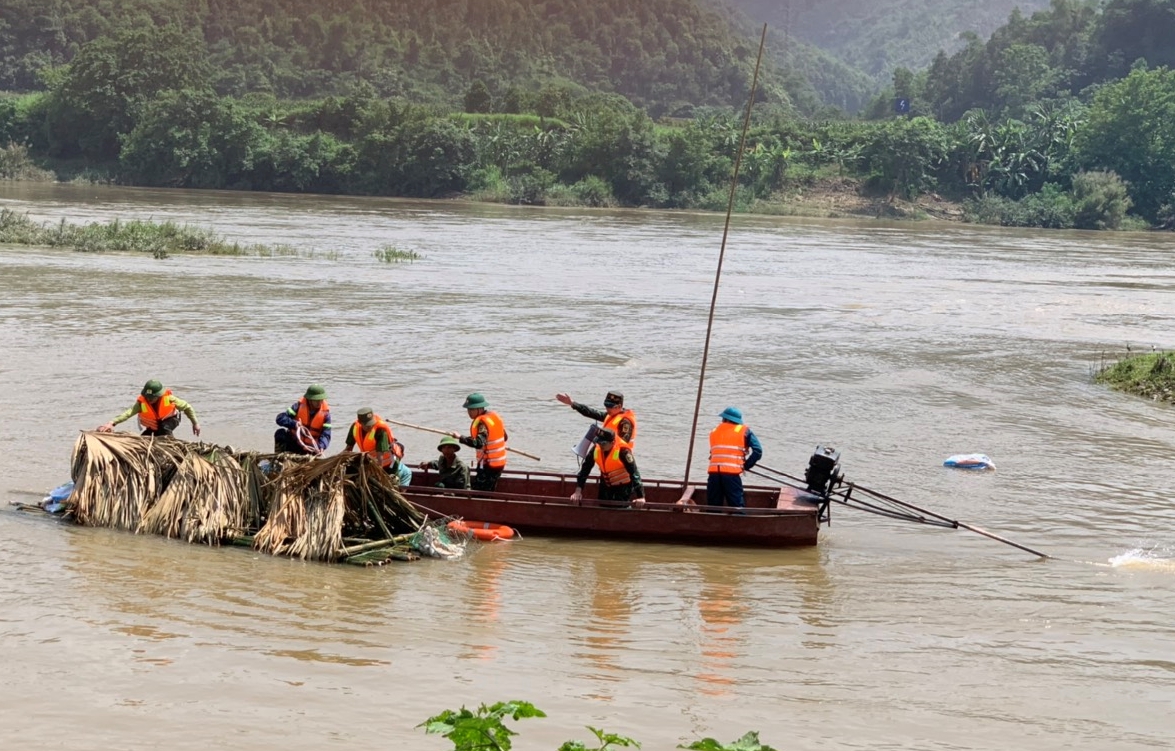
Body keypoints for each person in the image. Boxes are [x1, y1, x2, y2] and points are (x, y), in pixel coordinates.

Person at [97, 379, 201, 438]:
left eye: (152, 398)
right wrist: (112, 422)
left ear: (159, 395)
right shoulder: (142, 402)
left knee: (164, 429)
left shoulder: (169, 398)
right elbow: (128, 413)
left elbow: (188, 407)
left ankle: (172, 446)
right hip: (154, 423)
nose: (149, 399)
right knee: (144, 437)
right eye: (148, 397)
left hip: (171, 419)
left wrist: (195, 423)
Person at [571, 428, 645, 508]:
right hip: (605, 487)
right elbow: (585, 470)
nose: (600, 445)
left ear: (612, 442)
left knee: (620, 510)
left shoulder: (623, 451)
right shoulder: (596, 448)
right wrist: (578, 491)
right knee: (602, 509)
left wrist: (641, 496)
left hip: (623, 488)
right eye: (598, 442)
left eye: (603, 443)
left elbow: (634, 472)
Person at [448, 392, 507, 492]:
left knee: (480, 491)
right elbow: (504, 437)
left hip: (489, 464)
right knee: (489, 489)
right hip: (499, 463)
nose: (469, 412)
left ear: (480, 409)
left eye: (471, 409)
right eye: (468, 409)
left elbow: (478, 443)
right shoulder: (493, 417)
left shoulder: (482, 423)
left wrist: (460, 438)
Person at [707, 406, 763, 509]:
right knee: (737, 507)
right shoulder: (744, 430)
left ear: (725, 419)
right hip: (731, 475)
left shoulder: (714, 431)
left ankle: (713, 523)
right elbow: (758, 451)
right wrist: (746, 465)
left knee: (713, 507)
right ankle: (740, 523)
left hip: (714, 474)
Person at [345, 407, 410, 486]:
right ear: (360, 423)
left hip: (389, 466)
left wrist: (377, 476)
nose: (370, 426)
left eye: (371, 423)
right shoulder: (355, 427)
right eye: (367, 425)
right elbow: (348, 449)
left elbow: (380, 457)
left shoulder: (380, 430)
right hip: (371, 462)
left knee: (385, 488)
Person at [555, 390, 637, 444]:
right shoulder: (610, 415)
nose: (607, 408)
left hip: (621, 462)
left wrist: (601, 438)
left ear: (619, 406)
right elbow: (590, 412)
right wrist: (572, 403)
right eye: (606, 405)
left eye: (610, 406)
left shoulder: (625, 422)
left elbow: (622, 444)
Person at [274, 384, 331, 455]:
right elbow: (280, 418)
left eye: (321, 400)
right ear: (310, 399)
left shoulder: (326, 415)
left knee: (320, 447)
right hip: (294, 443)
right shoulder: (297, 407)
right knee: (280, 433)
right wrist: (294, 424)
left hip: (310, 448)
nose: (319, 403)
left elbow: (326, 434)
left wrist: (322, 446)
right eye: (316, 400)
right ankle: (278, 457)